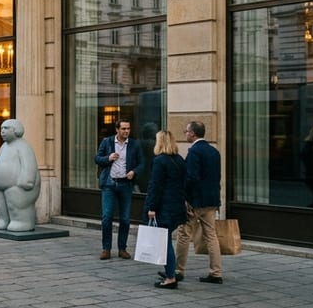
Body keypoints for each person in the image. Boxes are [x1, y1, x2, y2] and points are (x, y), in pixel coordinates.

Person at [173, 120, 224, 284]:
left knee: (183, 234)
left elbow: (191, 177)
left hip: (195, 201)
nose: (185, 134)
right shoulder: (214, 151)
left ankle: (178, 270)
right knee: (211, 236)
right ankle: (216, 273)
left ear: (193, 133)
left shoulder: (194, 152)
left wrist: (185, 197)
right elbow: (217, 177)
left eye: (186, 131)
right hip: (211, 200)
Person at [94, 120, 143, 259]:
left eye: (128, 129)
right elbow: (97, 158)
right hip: (109, 184)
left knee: (125, 219)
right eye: (123, 129)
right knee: (107, 217)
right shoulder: (107, 142)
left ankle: (122, 248)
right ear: (117, 129)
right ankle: (106, 248)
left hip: (125, 184)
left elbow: (141, 163)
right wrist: (108, 158)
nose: (126, 131)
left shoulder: (134, 144)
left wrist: (134, 172)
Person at [144, 130, 187, 289]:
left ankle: (170, 277)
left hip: (164, 207)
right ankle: (170, 272)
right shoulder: (179, 160)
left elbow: (156, 186)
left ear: (159, 142)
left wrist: (151, 208)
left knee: (165, 241)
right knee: (166, 239)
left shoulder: (160, 161)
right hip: (177, 206)